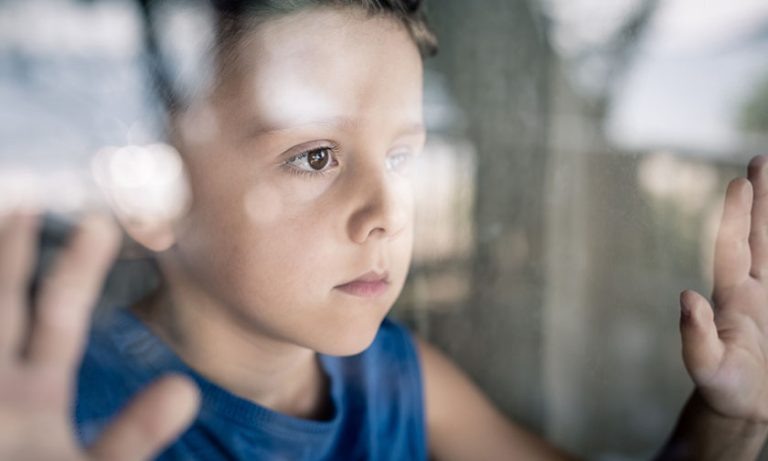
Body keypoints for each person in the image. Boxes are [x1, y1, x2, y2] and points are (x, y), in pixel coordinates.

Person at [1, 1, 768, 459]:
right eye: (315, 156)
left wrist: (727, 419)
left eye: (401, 154)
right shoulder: (61, 418)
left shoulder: (397, 375)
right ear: (160, 192)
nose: (388, 212)